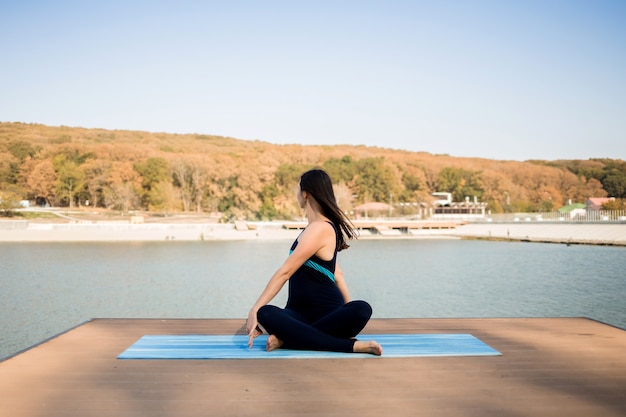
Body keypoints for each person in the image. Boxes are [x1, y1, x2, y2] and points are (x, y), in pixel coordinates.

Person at [246, 169, 382, 356]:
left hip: (329, 314)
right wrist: (260, 310)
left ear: (305, 193)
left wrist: (254, 309)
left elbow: (286, 272)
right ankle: (308, 339)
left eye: (298, 191)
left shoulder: (320, 228)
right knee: (267, 313)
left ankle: (289, 339)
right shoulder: (313, 229)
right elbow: (337, 273)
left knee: (361, 309)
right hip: (296, 314)